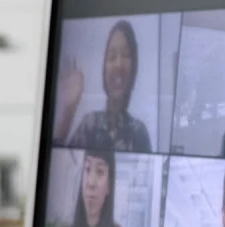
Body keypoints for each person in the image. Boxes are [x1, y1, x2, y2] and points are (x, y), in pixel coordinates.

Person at [53, 18, 152, 152]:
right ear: (104, 71)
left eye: (126, 55)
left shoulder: (139, 132)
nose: (118, 64)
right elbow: (60, 165)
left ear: (134, 68)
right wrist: (68, 111)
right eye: (112, 57)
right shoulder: (89, 124)